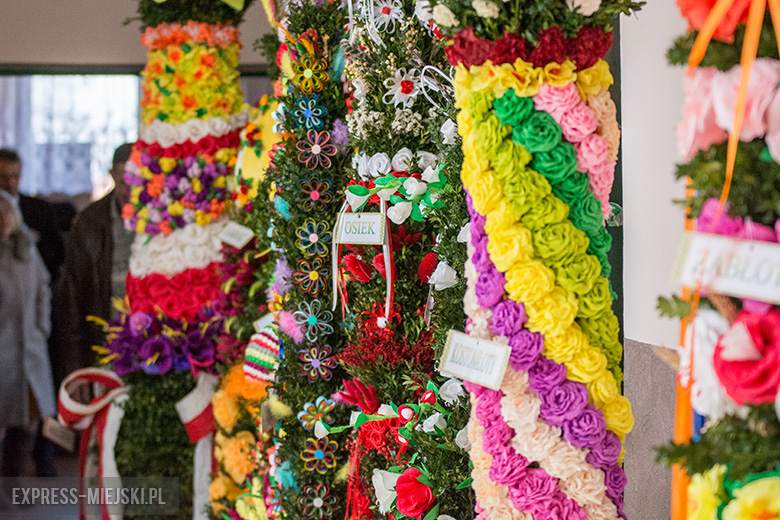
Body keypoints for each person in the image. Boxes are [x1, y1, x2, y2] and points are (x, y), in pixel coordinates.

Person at [54, 143, 135, 383]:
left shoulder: (162, 216)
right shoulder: (89, 223)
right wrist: (76, 368)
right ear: (112, 176)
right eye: (124, 182)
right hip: (104, 344)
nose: (131, 191)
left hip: (151, 343)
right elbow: (71, 298)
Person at [0, 190, 56, 477]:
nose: (3, 220)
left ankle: (14, 482)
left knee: (29, 420)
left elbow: (43, 288)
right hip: (4, 349)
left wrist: (41, 326)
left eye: (7, 213)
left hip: (30, 345)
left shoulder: (27, 250)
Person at [0, 149, 66, 286]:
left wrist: (35, 240)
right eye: (4, 177)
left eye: (15, 176)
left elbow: (58, 252)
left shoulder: (40, 209)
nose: (10, 183)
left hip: (36, 281)